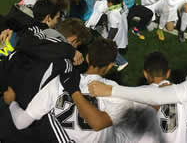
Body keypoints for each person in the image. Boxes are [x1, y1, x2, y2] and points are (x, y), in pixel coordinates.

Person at [4, 38, 134, 143]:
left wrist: (12, 103)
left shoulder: (58, 82)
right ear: (111, 65)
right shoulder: (116, 90)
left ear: (87, 57)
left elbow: (21, 123)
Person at [106, 0, 129, 71]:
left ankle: (122, 62)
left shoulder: (112, 13)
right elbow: (126, 12)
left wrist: (109, 39)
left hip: (116, 34)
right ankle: (115, 61)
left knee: (111, 49)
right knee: (116, 48)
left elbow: (114, 28)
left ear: (110, 3)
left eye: (107, 2)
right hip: (122, 31)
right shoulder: (121, 7)